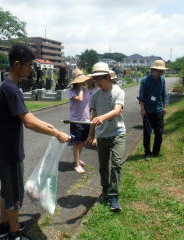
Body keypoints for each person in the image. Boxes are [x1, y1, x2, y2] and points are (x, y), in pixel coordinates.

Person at [0, 43, 70, 240]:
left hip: (2, 150)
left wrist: (51, 128)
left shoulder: (9, 86)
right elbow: (28, 122)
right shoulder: (11, 89)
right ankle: (14, 233)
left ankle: (4, 225)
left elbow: (26, 115)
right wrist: (56, 134)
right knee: (14, 195)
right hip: (10, 153)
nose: (30, 69)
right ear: (17, 64)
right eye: (29, 65)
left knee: (6, 190)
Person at [86, 62, 126, 212]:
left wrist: (102, 118)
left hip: (117, 133)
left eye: (99, 79)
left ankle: (114, 196)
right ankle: (105, 189)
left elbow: (117, 111)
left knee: (116, 163)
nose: (96, 82)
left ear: (108, 77)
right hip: (102, 136)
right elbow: (93, 117)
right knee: (103, 166)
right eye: (95, 79)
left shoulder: (118, 92)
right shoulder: (95, 95)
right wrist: (91, 135)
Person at [138, 60, 167, 159]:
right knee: (147, 133)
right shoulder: (144, 80)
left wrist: (164, 107)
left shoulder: (162, 80)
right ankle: (147, 152)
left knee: (159, 132)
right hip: (147, 111)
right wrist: (142, 109)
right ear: (153, 70)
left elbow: (163, 95)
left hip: (159, 110)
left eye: (162, 71)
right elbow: (141, 97)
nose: (161, 73)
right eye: (159, 71)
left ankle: (156, 151)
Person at [68, 69, 91, 174]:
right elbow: (80, 99)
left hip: (86, 119)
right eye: (80, 80)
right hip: (76, 121)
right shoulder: (71, 91)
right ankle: (76, 164)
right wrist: (80, 87)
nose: (83, 82)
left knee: (82, 142)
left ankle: (77, 159)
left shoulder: (86, 90)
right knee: (77, 143)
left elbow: (87, 103)